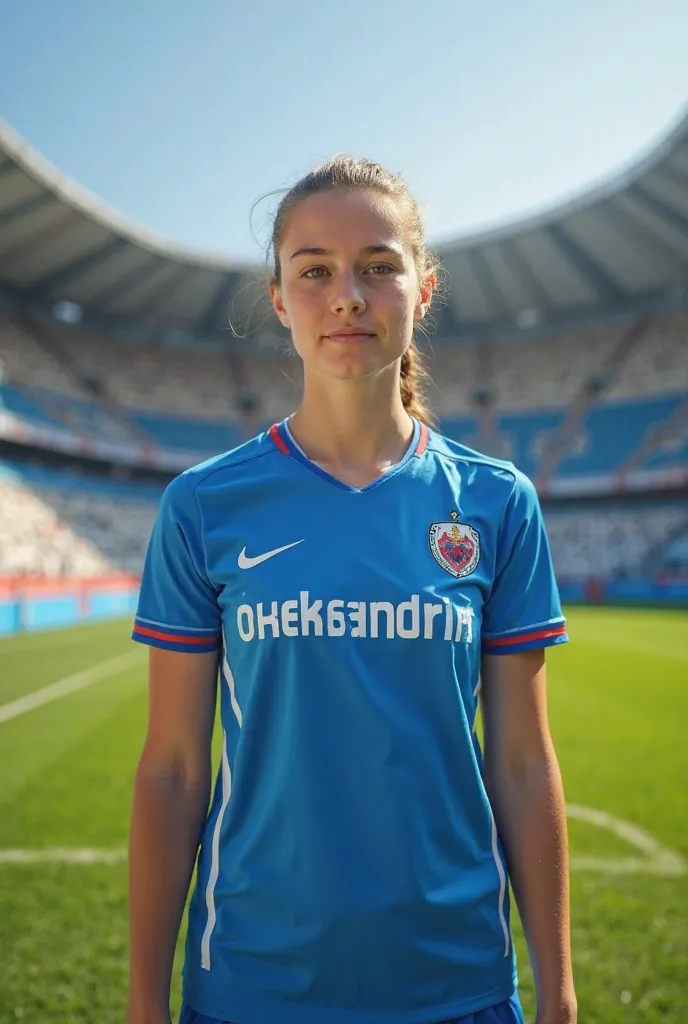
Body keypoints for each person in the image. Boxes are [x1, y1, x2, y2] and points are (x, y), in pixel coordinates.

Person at [127, 156, 577, 1024]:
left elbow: (523, 761)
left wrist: (555, 990)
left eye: (379, 265)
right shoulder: (203, 505)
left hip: (459, 986)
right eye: (315, 271)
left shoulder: (495, 502)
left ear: (424, 288)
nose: (348, 296)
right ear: (280, 299)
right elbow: (174, 771)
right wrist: (145, 1002)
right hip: (254, 984)